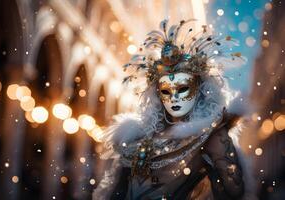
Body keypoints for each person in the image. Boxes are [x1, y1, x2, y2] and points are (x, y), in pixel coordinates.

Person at [93, 19, 255, 200]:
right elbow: (118, 192)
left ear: (199, 89)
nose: (174, 97)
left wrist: (220, 156)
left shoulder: (210, 136)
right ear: (157, 95)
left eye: (182, 88)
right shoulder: (140, 138)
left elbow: (234, 193)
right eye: (166, 91)